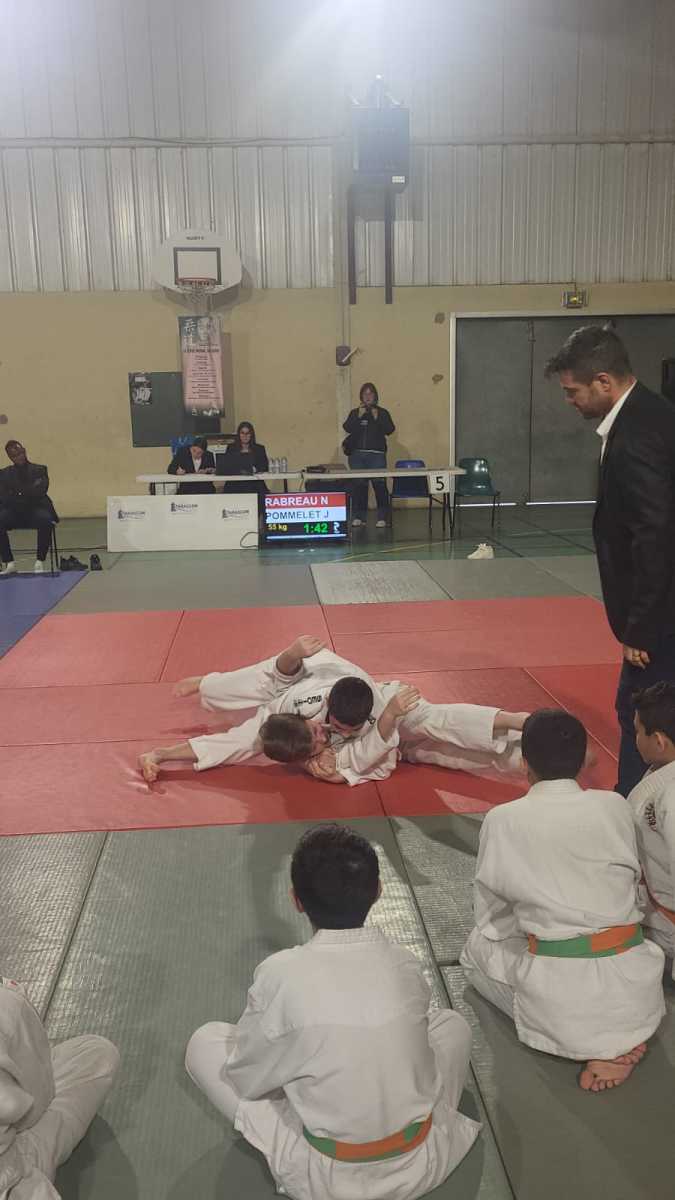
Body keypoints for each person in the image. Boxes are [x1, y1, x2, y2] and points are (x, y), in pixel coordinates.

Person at [185, 824, 479, 1200]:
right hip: (420, 1158)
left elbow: (248, 1078)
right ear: (378, 891)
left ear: (296, 900)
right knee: (452, 1025)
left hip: (326, 1177)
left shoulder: (280, 973)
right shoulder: (403, 962)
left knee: (205, 1044)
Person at [460, 709, 665, 1094]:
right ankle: (618, 1036)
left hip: (563, 1003)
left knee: (475, 949)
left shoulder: (504, 819)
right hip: (637, 984)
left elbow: (491, 917)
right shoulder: (615, 804)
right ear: (583, 760)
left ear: (524, 763)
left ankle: (593, 1044)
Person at [545, 325, 675, 796]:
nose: (569, 401)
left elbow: (655, 535)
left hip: (659, 615)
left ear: (603, 381)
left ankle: (636, 807)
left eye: (572, 391)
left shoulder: (637, 434)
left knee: (640, 714)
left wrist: (639, 626)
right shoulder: (652, 413)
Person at [138, 636, 525, 784]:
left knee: (431, 720)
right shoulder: (286, 711)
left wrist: (390, 716)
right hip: (383, 742)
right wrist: (162, 754)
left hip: (386, 712)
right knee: (431, 753)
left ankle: (514, 722)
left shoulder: (358, 691)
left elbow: (368, 745)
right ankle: (517, 761)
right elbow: (263, 687)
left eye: (322, 733)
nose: (327, 734)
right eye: (323, 734)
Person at [0, 975, 119, 1197]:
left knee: (96, 1053)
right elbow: (36, 1100)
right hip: (12, 1173)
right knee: (99, 1057)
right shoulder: (7, 1010)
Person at [628, 682, 675, 976]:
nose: (634, 738)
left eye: (637, 731)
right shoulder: (663, 774)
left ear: (658, 741)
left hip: (666, 927)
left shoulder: (671, 796)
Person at [0, 441, 59, 576]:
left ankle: (40, 561)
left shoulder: (40, 470)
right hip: (14, 511)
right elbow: (4, 497)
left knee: (46, 520)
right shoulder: (4, 474)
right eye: (15, 455)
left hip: (35, 510)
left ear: (24, 451)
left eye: (21, 453)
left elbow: (40, 492)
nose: (19, 457)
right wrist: (26, 492)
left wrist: (18, 493)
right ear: (10, 457)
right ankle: (9, 563)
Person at [342, 383, 395, 528]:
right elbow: (347, 427)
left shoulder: (382, 412)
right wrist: (358, 417)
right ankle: (359, 517)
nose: (368, 396)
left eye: (370, 393)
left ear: (375, 396)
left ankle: (382, 517)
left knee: (379, 485)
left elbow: (390, 430)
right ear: (361, 397)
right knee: (359, 486)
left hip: (376, 455)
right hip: (357, 456)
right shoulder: (355, 412)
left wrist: (378, 418)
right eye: (365, 394)